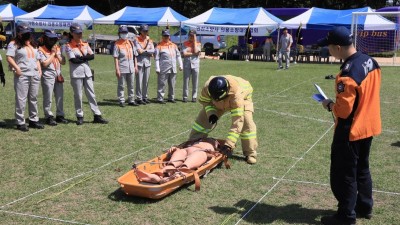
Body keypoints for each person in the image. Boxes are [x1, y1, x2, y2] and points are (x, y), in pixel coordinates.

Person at [318, 26, 381, 225]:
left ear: (337, 47)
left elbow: (344, 111)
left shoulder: (346, 73)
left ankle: (346, 216)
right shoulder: (371, 62)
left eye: (328, 47)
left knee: (344, 173)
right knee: (362, 168)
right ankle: (364, 206)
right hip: (368, 125)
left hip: (351, 130)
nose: (327, 50)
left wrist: (329, 104)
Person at [189, 75, 258, 164]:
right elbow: (206, 102)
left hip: (243, 98)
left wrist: (229, 145)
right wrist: (211, 113)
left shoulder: (237, 96)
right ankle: (192, 143)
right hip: (218, 98)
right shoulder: (207, 88)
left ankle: (250, 153)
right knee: (202, 120)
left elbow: (237, 122)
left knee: (246, 124)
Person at [66, 23, 108, 125]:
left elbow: (92, 56)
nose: (79, 35)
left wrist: (81, 58)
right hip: (76, 74)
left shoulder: (84, 43)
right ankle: (79, 116)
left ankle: (97, 115)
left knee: (91, 94)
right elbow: (73, 60)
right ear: (72, 33)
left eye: (80, 33)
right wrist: (85, 58)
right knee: (78, 96)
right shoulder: (68, 46)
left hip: (87, 72)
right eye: (77, 33)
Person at [6, 22, 44, 132]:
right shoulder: (14, 43)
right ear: (19, 33)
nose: (27, 34)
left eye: (28, 32)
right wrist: (17, 68)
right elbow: (9, 57)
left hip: (34, 74)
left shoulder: (32, 43)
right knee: (21, 99)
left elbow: (36, 59)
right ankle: (20, 121)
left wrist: (39, 70)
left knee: (33, 98)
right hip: (22, 74)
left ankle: (33, 120)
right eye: (24, 33)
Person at [135, 138, 221, 184]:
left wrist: (212, 154)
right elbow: (182, 146)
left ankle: (177, 174)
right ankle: (161, 172)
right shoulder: (197, 140)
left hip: (200, 152)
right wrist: (175, 149)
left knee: (196, 157)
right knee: (179, 153)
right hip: (186, 150)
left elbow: (212, 159)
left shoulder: (213, 148)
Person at [38, 29, 68, 126]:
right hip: (47, 74)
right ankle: (48, 116)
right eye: (50, 38)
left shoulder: (57, 48)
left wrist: (58, 55)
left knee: (60, 96)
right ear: (45, 38)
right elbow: (45, 63)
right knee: (48, 97)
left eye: (54, 38)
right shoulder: (41, 49)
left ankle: (60, 115)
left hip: (58, 74)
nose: (52, 40)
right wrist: (53, 54)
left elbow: (63, 62)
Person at [155, 29, 182, 104]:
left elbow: (178, 55)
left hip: (173, 67)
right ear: (162, 36)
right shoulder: (159, 46)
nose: (166, 37)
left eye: (167, 36)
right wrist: (157, 68)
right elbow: (156, 58)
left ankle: (171, 97)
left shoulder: (174, 45)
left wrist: (181, 64)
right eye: (164, 36)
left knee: (172, 83)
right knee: (162, 83)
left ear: (169, 36)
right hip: (163, 67)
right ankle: (160, 98)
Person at [113, 25, 138, 107]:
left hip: (131, 67)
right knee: (121, 85)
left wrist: (136, 66)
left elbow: (135, 56)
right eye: (122, 32)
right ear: (119, 34)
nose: (124, 34)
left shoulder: (131, 43)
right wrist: (117, 69)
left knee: (131, 84)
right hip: (122, 67)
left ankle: (131, 99)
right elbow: (116, 57)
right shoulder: (117, 44)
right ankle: (121, 100)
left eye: (125, 32)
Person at [134, 24, 154, 105]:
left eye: (146, 31)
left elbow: (153, 51)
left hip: (147, 63)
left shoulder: (150, 40)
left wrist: (144, 51)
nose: (145, 32)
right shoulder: (136, 39)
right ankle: (139, 98)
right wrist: (147, 51)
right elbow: (139, 51)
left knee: (146, 81)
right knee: (139, 81)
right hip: (139, 63)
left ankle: (145, 97)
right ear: (140, 31)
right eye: (144, 31)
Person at [182, 29, 201, 103]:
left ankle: (194, 97)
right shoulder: (185, 43)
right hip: (187, 64)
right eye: (190, 35)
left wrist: (195, 41)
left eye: (193, 35)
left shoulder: (198, 44)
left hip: (195, 64)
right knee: (186, 81)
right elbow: (184, 54)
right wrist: (193, 54)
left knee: (195, 81)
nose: (191, 37)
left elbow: (196, 51)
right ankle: (185, 97)